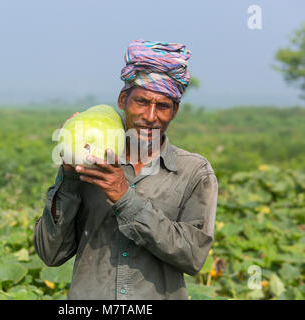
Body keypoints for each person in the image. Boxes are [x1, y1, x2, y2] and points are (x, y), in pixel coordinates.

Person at [33, 39, 218, 299]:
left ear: (174, 111)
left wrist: (123, 196)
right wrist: (69, 176)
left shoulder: (194, 173)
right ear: (123, 100)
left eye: (163, 106)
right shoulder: (89, 165)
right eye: (141, 102)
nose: (151, 116)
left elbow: (192, 256)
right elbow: (51, 255)